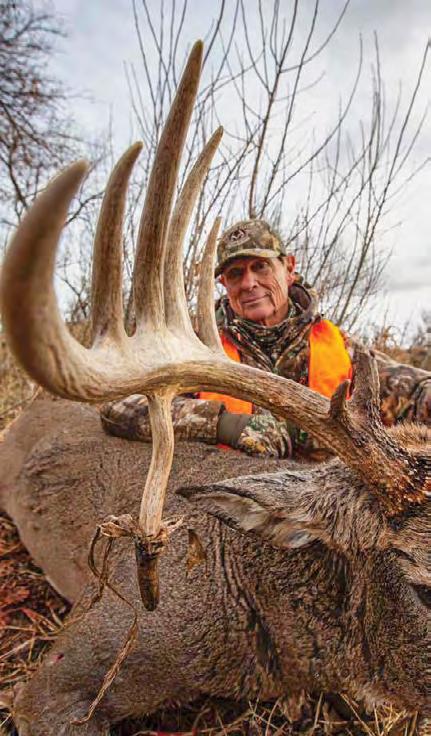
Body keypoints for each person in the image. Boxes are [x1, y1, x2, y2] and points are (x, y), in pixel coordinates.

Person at [100, 220, 430, 458]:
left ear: (289, 268)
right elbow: (119, 404)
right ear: (224, 285)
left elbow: (415, 391)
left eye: (261, 267)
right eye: (235, 273)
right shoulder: (194, 349)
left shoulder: (341, 347)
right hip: (227, 504)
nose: (249, 283)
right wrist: (226, 425)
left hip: (328, 507)